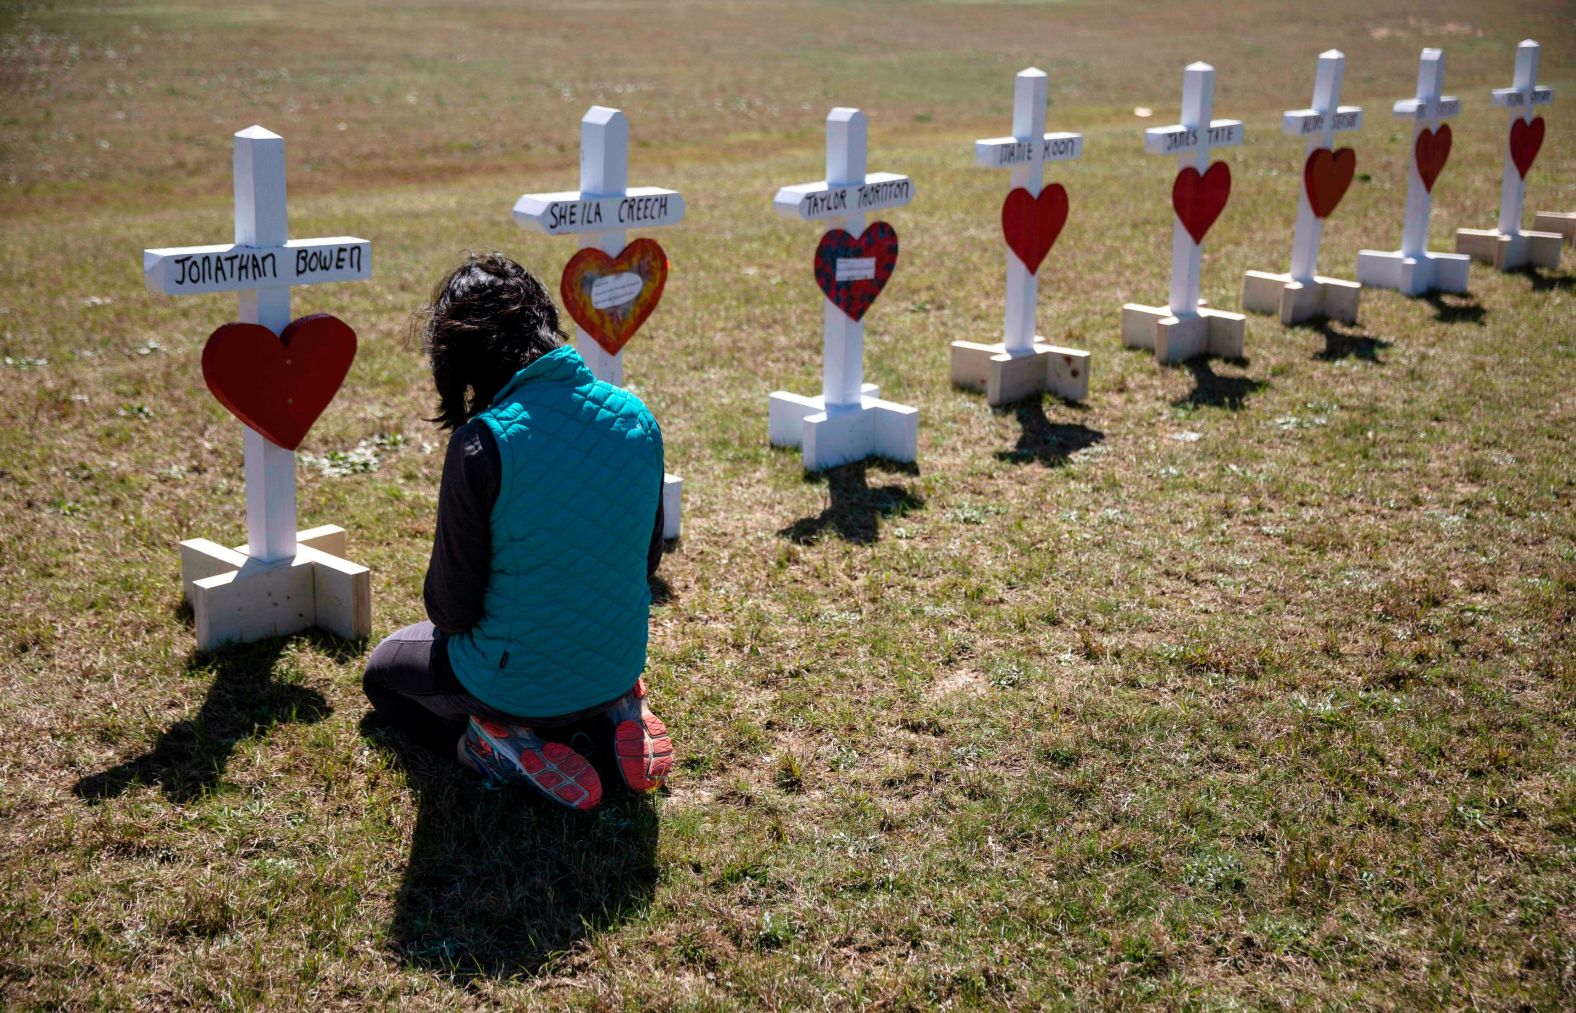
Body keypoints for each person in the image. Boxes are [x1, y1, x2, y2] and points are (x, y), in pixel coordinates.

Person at [362, 252, 672, 811]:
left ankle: (487, 746)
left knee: (384, 673)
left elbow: (452, 611)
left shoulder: (484, 442)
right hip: (617, 662)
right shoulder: (637, 417)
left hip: (512, 682)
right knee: (571, 659)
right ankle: (615, 715)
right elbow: (644, 563)